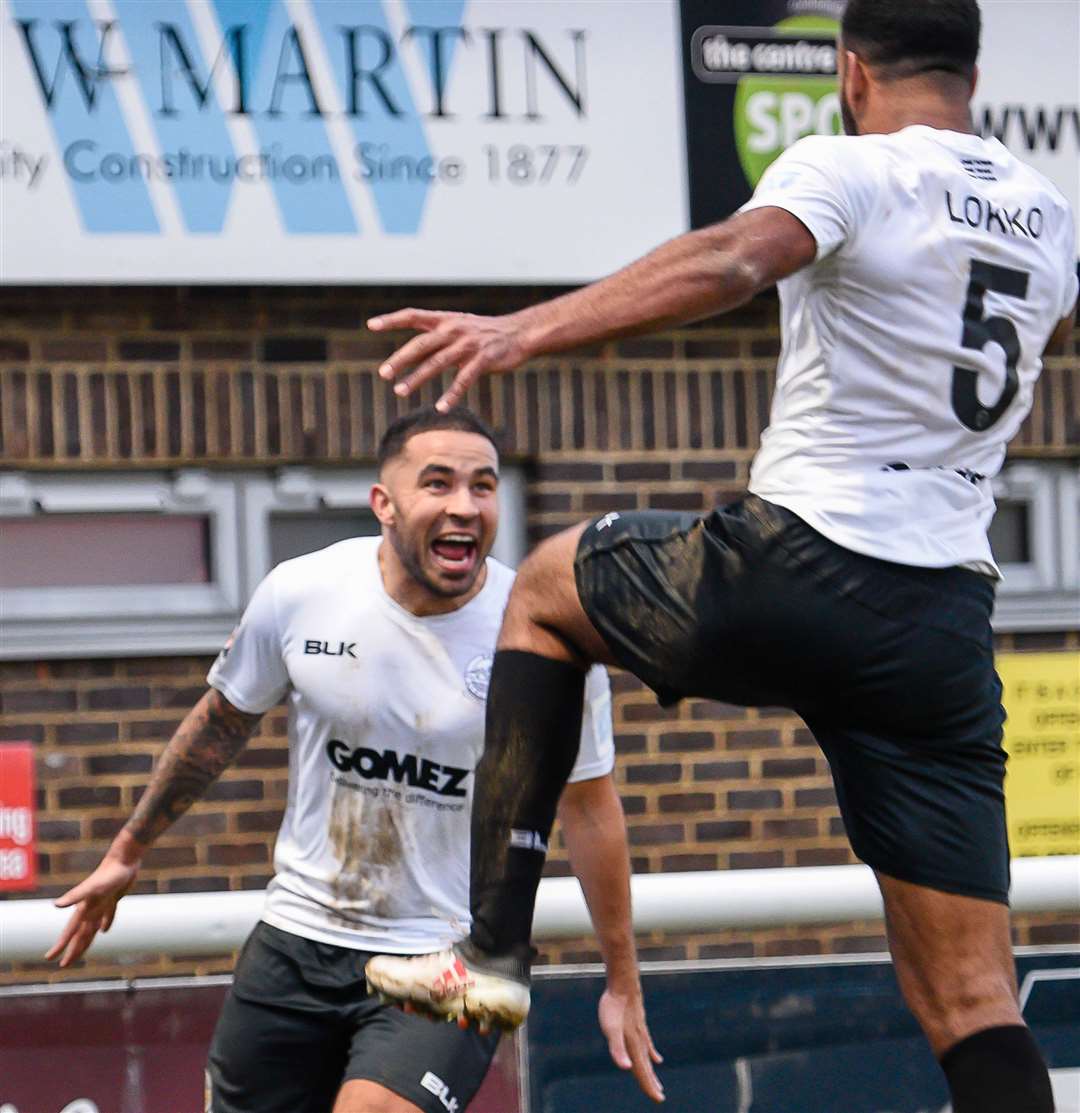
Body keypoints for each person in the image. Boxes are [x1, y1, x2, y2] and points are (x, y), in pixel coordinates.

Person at [362, 3, 1078, 1111]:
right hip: (940, 623)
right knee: (974, 997)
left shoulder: (850, 166)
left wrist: (520, 332)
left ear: (851, 71)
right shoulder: (1047, 217)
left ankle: (489, 963)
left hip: (805, 564)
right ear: (973, 72)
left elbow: (738, 258)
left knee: (547, 590)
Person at [46, 407, 665, 1112]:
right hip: (296, 938)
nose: (464, 505)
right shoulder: (303, 591)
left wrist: (623, 978)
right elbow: (221, 722)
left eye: (483, 486)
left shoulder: (546, 633)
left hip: (457, 956)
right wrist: (128, 848)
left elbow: (589, 809)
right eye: (438, 483)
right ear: (385, 504)